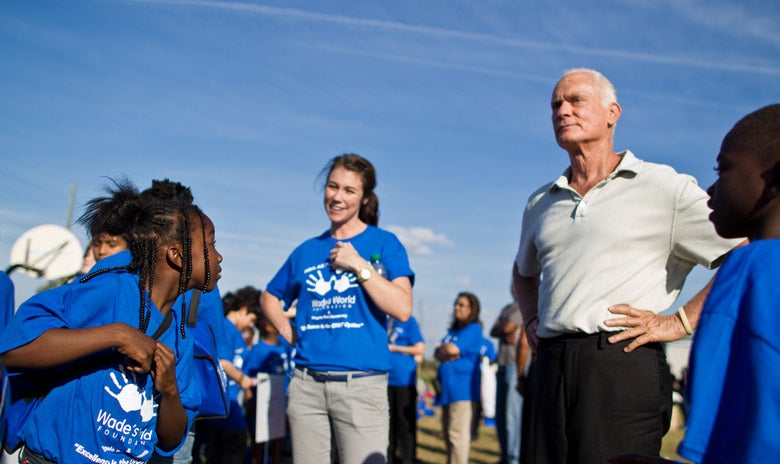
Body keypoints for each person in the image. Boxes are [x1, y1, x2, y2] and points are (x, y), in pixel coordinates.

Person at [512, 68, 744, 464]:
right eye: (556, 104)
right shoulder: (541, 201)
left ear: (612, 113)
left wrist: (680, 321)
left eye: (576, 100)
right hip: (550, 366)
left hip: (620, 363)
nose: (562, 111)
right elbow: (522, 272)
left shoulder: (664, 187)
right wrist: (532, 318)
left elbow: (746, 252)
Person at [0, 179, 222, 463]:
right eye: (211, 243)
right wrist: (118, 335)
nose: (219, 256)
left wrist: (168, 390)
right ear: (176, 255)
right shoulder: (111, 290)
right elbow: (14, 349)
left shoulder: (180, 331)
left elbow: (171, 440)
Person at [260, 153, 414, 464]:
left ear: (365, 198)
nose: (337, 197)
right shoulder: (306, 251)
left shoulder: (384, 243)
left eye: (349, 190)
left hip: (362, 387)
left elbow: (402, 308)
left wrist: (358, 265)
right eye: (333, 187)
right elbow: (269, 297)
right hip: (306, 386)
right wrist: (291, 333)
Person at [202, 286, 260, 464]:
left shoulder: (233, 331)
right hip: (224, 404)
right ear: (243, 310)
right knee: (235, 446)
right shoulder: (225, 328)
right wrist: (244, 380)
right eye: (251, 320)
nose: (251, 325)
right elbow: (223, 362)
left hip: (228, 403)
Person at [435, 291, 483, 464]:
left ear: (472, 309)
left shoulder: (473, 329)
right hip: (448, 391)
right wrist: (445, 349)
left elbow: (451, 349)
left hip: (463, 392)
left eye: (462, 305)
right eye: (456, 303)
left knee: (457, 437)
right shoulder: (454, 331)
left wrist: (447, 350)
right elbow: (437, 351)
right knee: (448, 435)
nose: (457, 307)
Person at [243, 311, 293, 464]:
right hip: (262, 402)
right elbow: (247, 375)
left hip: (282, 400)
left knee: (278, 438)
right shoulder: (258, 349)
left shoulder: (285, 345)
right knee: (259, 439)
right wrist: (249, 396)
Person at [489, 301, 525, 464]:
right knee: (501, 415)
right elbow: (495, 330)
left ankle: (513, 458)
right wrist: (506, 328)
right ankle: (505, 456)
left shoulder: (522, 306)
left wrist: (508, 327)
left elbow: (505, 328)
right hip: (502, 365)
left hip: (514, 366)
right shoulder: (507, 308)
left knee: (512, 417)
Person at [387, 315, 424, 464]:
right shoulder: (383, 319)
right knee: (388, 425)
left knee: (404, 424)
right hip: (384, 381)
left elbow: (420, 348)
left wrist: (395, 348)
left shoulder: (408, 320)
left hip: (403, 381)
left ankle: (408, 459)